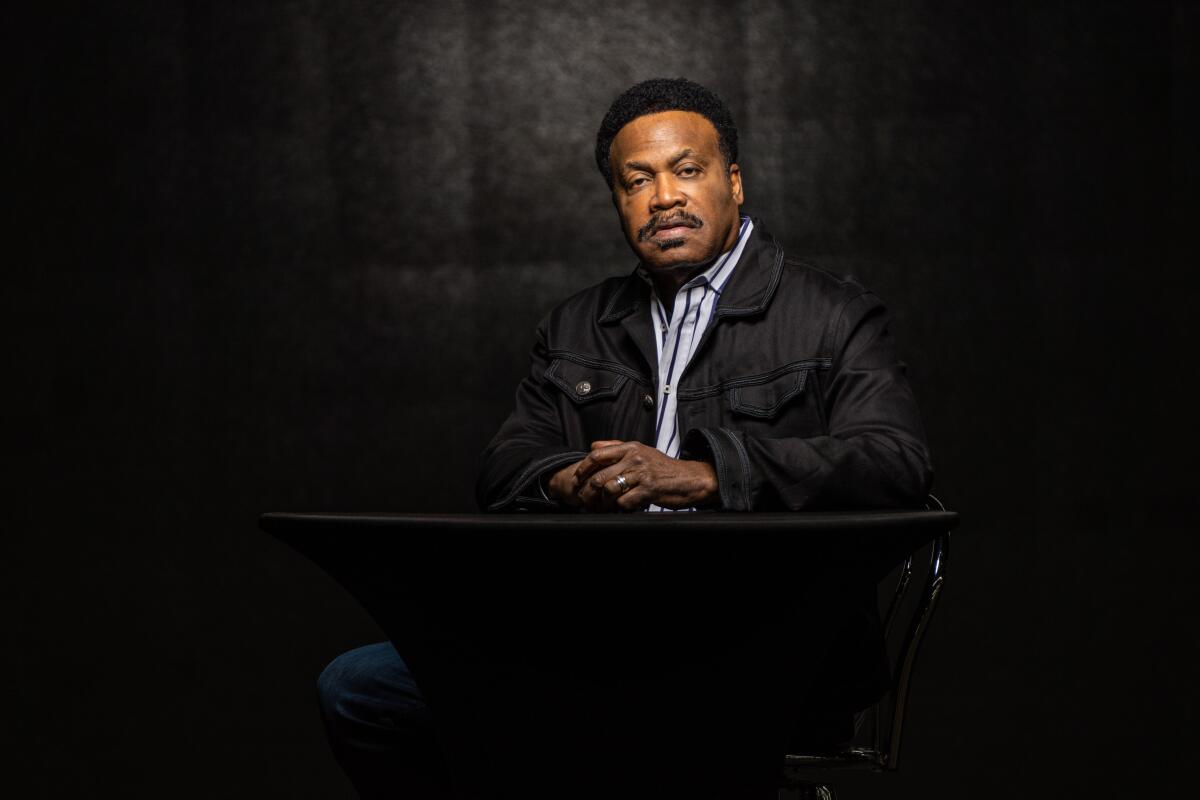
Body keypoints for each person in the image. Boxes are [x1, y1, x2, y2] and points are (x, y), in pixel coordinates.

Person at [318, 77, 932, 799]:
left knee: (614, 739)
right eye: (636, 180)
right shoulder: (577, 326)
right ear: (617, 200)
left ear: (734, 181)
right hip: (595, 639)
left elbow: (896, 462)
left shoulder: (833, 316)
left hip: (768, 651)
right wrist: (567, 481)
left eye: (687, 170)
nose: (663, 196)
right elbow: (504, 467)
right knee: (358, 687)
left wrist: (703, 474)